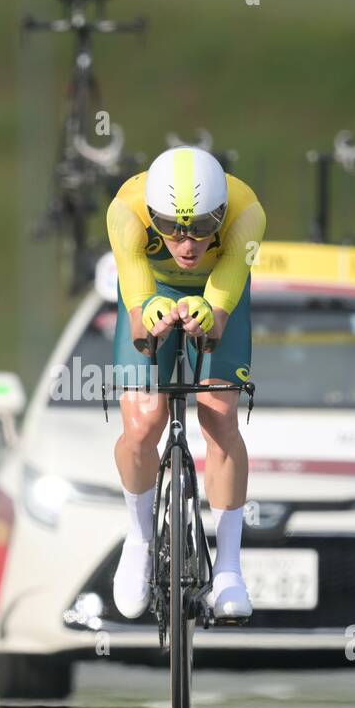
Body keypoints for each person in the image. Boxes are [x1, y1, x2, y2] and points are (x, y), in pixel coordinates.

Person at [106, 146, 265, 620]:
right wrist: (146, 314)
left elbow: (223, 302)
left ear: (221, 213)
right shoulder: (126, 211)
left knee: (219, 416)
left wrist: (210, 317)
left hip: (218, 290)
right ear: (152, 215)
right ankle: (137, 542)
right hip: (151, 288)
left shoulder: (248, 214)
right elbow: (137, 323)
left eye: (201, 226)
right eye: (172, 228)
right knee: (143, 422)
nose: (187, 243)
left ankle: (230, 571)